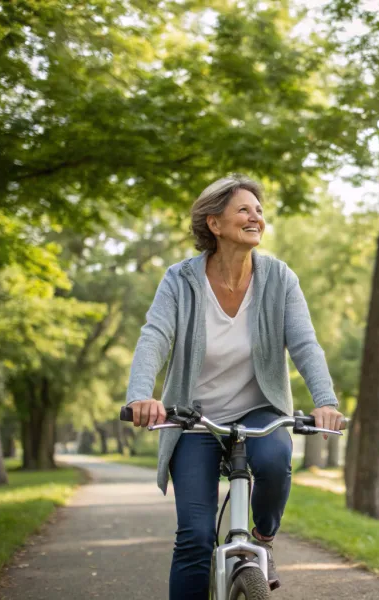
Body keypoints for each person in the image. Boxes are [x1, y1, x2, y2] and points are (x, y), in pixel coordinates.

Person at [125, 174, 344, 600]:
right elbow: (155, 336)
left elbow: (304, 345)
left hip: (258, 409)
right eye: (244, 209)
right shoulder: (180, 280)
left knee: (276, 457)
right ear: (214, 223)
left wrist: (326, 403)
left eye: (259, 211)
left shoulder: (279, 279)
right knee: (193, 537)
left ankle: (262, 540)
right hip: (192, 417)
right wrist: (140, 395)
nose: (255, 217)